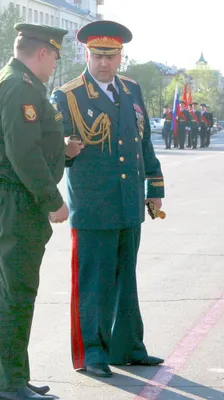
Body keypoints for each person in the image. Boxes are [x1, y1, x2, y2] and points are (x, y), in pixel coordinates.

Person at [51, 20, 165, 378]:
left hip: (129, 202)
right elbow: (55, 151)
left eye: (111, 56)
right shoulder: (68, 95)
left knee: (125, 278)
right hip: (93, 204)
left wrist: (155, 190)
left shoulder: (131, 90)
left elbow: (143, 142)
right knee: (94, 282)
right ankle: (94, 353)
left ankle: (128, 347)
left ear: (121, 57)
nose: (104, 63)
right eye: (97, 55)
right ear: (87, 54)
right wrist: (65, 151)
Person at [0, 23, 83, 400]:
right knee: (16, 292)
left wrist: (61, 149)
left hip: (16, 200)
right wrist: (53, 201)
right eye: (54, 58)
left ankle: (15, 376)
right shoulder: (20, 87)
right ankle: (11, 384)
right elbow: (22, 153)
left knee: (13, 292)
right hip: (18, 202)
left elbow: (29, 143)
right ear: (43, 53)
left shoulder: (20, 83)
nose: (54, 67)